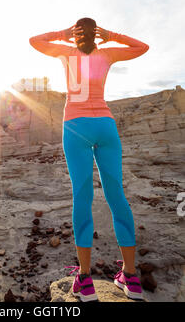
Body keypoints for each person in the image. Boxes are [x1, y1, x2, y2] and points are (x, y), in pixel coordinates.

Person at [29, 18, 149, 302]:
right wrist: (111, 35)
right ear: (96, 34)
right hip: (105, 125)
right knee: (116, 195)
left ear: (75, 34)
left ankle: (85, 280)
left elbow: (35, 41)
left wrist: (62, 34)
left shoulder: (66, 52)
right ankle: (130, 278)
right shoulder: (107, 53)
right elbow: (142, 47)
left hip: (75, 125)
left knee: (82, 197)